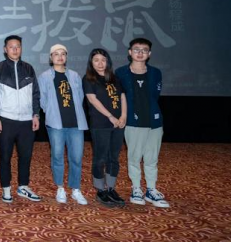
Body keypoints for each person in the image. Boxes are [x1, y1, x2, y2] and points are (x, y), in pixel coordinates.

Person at [115, 38, 169, 208]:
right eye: (136, 49)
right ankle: (136, 189)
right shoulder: (120, 73)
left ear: (149, 54)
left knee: (152, 158)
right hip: (133, 121)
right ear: (130, 52)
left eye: (144, 50)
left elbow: (155, 96)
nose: (140, 53)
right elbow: (119, 97)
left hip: (154, 121)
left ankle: (151, 190)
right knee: (134, 157)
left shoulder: (155, 73)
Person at [0, 35, 41, 203]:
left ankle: (23, 186)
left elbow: (35, 93)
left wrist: (36, 114)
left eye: (18, 46)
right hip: (6, 119)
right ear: (5, 49)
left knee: (26, 156)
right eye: (11, 47)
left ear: (21, 48)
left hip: (26, 120)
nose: (15, 49)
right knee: (5, 156)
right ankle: (6, 188)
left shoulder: (29, 68)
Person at [38, 44, 89, 205]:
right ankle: (60, 188)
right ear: (51, 57)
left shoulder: (74, 75)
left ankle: (75, 189)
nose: (60, 57)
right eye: (56, 54)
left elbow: (80, 96)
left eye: (63, 54)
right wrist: (51, 111)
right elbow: (42, 100)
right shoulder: (44, 77)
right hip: (56, 124)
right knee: (58, 156)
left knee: (77, 157)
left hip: (76, 123)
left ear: (66, 57)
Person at [83, 48, 127, 207]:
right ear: (91, 63)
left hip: (118, 124)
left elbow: (122, 97)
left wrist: (123, 116)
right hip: (100, 124)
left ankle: (111, 189)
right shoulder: (88, 79)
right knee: (100, 158)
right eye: (96, 60)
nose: (100, 63)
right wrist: (110, 116)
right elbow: (93, 100)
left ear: (108, 61)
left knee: (113, 158)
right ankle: (100, 190)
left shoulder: (115, 78)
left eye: (103, 60)